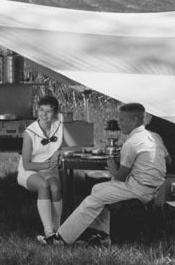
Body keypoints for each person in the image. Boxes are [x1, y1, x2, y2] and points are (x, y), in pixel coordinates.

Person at [40, 102, 168, 247]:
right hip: (156, 189)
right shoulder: (155, 137)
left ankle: (60, 238)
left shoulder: (132, 143)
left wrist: (113, 169)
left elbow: (120, 176)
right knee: (97, 189)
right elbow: (168, 159)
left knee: (92, 201)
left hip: (139, 189)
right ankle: (101, 235)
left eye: (122, 120)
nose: (119, 124)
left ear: (135, 120)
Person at [17, 94, 64, 238]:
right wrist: (48, 164)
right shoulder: (29, 133)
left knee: (55, 187)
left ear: (55, 113)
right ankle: (48, 232)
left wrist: (59, 152)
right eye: (41, 110)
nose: (44, 115)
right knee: (44, 185)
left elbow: (71, 145)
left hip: (49, 170)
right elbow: (27, 164)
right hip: (29, 171)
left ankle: (57, 231)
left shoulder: (59, 125)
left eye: (48, 111)